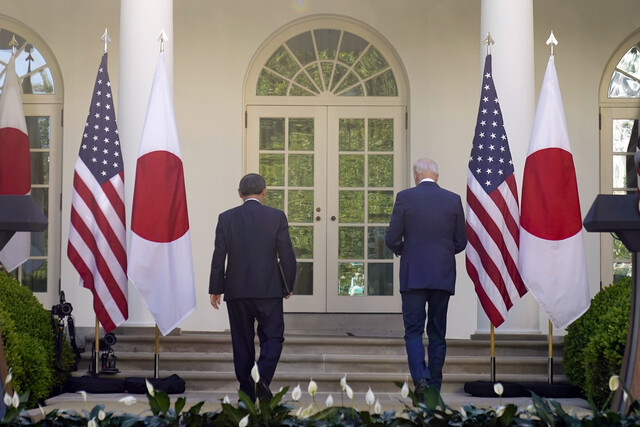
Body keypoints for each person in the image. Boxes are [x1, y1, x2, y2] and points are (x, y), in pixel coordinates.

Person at [209, 173, 297, 402]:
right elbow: (286, 254)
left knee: (241, 341)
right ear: (264, 191)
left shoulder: (226, 218)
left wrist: (216, 288)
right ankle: (262, 380)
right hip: (269, 290)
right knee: (274, 338)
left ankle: (247, 393)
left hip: (236, 291)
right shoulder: (276, 216)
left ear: (240, 193)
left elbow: (219, 256)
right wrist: (288, 284)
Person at [385, 158, 467, 395]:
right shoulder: (453, 200)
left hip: (413, 276)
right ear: (437, 176)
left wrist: (406, 252)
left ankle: (420, 379)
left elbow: (391, 238)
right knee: (437, 332)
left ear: (415, 176)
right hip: (442, 275)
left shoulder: (405, 198)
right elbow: (460, 241)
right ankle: (434, 384)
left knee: (413, 331)